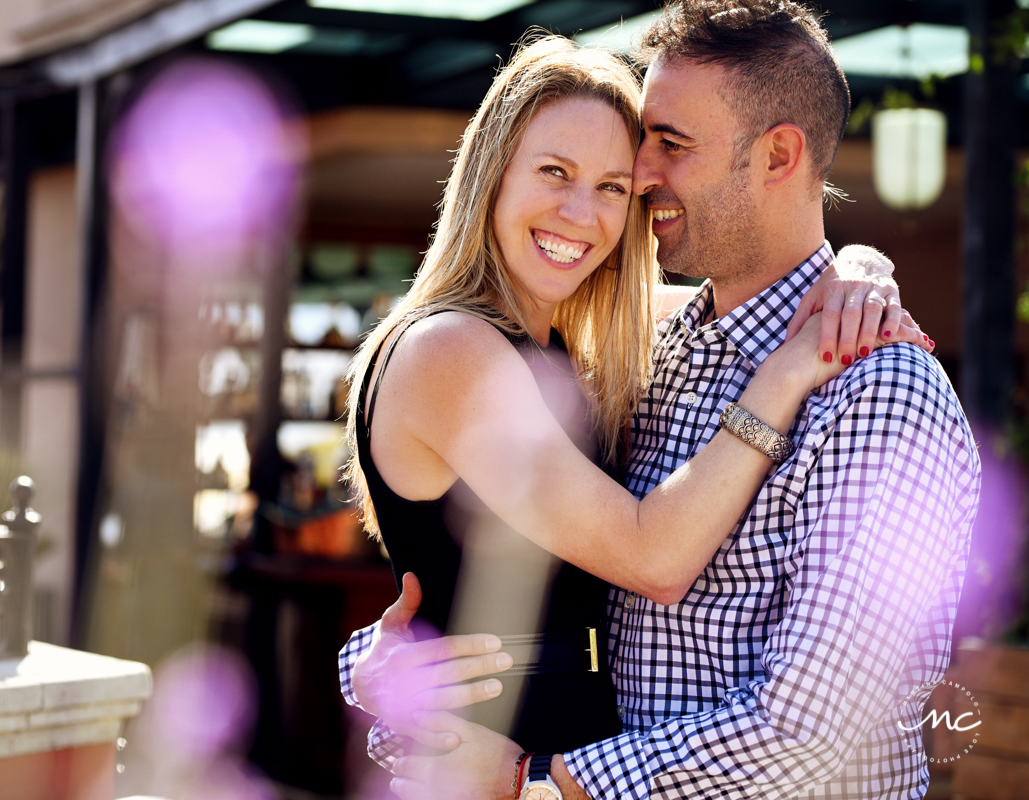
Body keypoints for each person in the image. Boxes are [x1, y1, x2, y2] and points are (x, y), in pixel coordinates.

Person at [339, 13, 948, 795]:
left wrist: (860, 270)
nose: (634, 185)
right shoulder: (491, 351)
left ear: (780, 156)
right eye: (554, 172)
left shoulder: (647, 353)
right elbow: (646, 557)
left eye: (620, 180)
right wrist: (378, 669)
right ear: (491, 172)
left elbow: (811, 729)